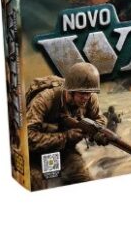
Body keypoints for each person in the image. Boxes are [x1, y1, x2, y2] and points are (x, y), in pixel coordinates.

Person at [26, 62, 107, 191]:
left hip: (64, 152)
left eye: (89, 93)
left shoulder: (90, 98)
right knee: (37, 186)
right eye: (82, 93)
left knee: (85, 180)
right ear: (70, 91)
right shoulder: (44, 100)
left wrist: (95, 132)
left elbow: (99, 119)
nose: (86, 97)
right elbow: (28, 138)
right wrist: (65, 137)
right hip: (34, 155)